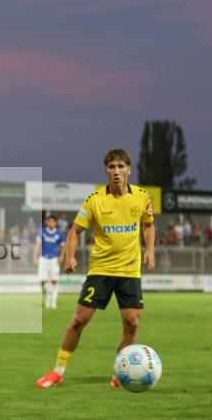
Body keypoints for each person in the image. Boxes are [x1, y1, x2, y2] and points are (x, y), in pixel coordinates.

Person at [36, 149, 155, 389]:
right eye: (112, 167)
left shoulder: (142, 197)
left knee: (132, 323)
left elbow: (149, 225)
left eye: (121, 166)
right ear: (106, 171)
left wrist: (150, 250)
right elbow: (74, 231)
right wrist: (70, 256)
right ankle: (58, 371)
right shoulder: (94, 200)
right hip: (100, 270)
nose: (117, 172)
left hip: (130, 271)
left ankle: (119, 373)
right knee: (79, 320)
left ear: (129, 170)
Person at [32, 214, 64, 309]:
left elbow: (63, 246)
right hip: (43, 258)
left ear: (56, 223)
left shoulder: (59, 233)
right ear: (46, 222)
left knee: (55, 280)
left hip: (54, 259)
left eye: (53, 221)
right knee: (41, 281)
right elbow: (38, 244)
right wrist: (35, 257)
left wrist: (62, 256)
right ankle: (48, 295)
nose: (51, 223)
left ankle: (53, 302)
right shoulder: (42, 231)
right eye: (49, 221)